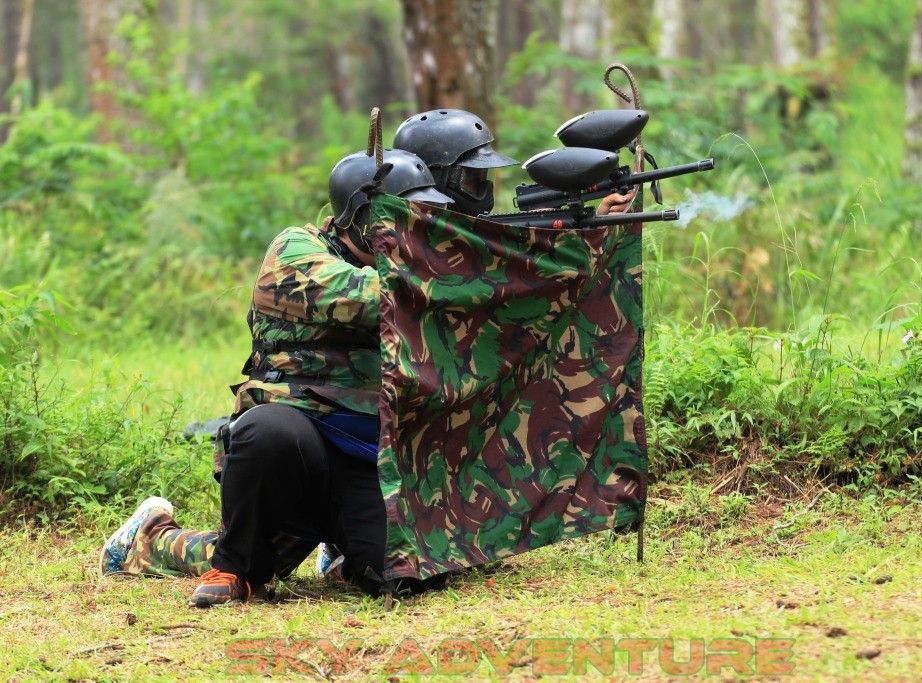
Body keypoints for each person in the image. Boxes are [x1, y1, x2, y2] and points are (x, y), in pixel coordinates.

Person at [100, 148, 453, 606]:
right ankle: (150, 539)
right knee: (266, 448)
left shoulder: (407, 268)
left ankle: (343, 550)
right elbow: (366, 299)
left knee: (405, 574)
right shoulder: (296, 250)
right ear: (362, 216)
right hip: (289, 451)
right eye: (404, 215)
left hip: (365, 455)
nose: (416, 229)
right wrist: (459, 272)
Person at [391, 108, 636, 218]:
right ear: (435, 180)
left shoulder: (466, 231)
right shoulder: (397, 239)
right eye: (471, 179)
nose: (483, 191)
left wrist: (598, 217)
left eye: (482, 177)